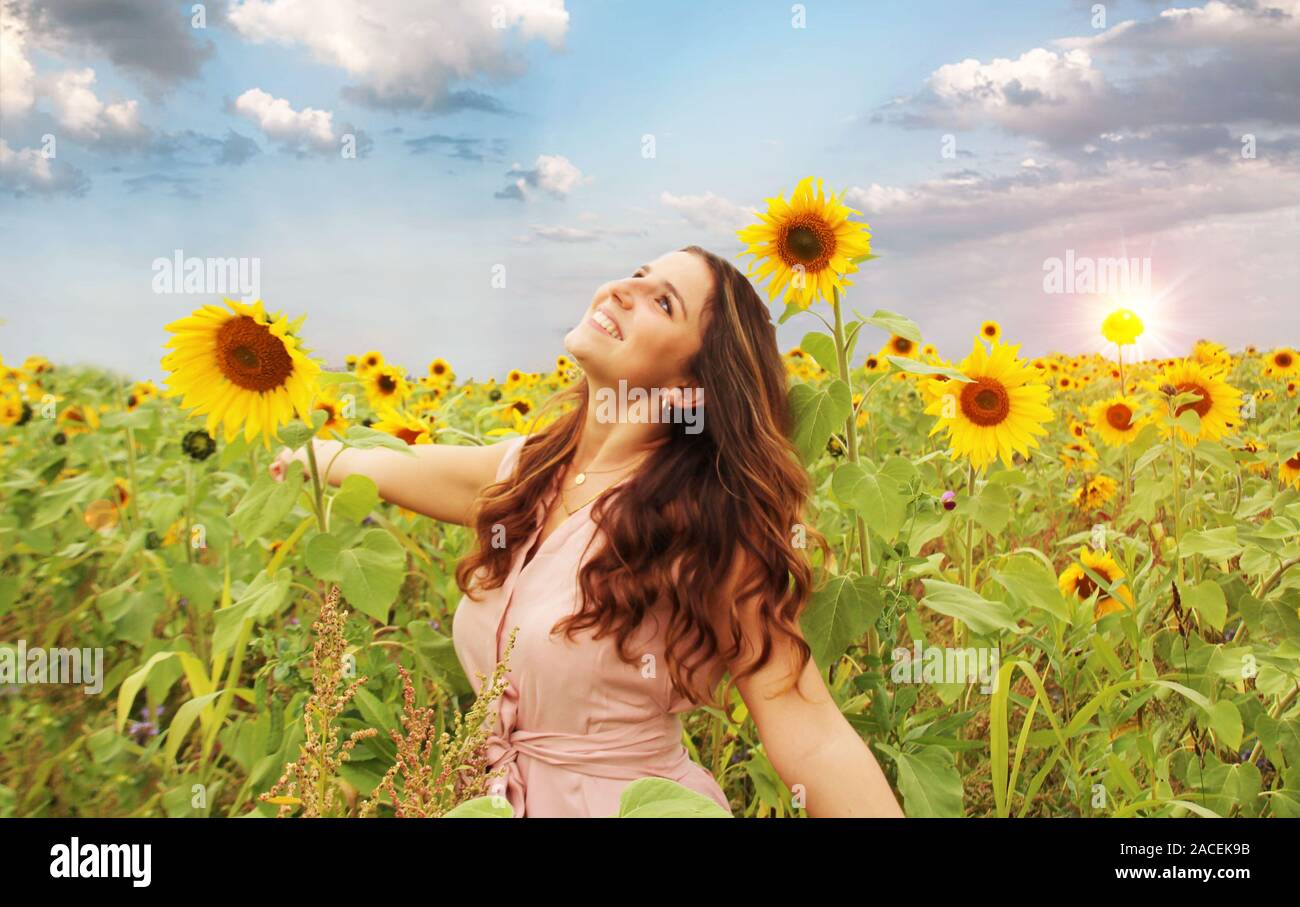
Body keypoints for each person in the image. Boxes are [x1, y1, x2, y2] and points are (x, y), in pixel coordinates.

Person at [272, 245, 904, 818]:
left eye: (662, 301)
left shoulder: (709, 522)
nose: (623, 290)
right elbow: (395, 466)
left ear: (691, 382)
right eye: (637, 274)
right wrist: (313, 453)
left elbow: (811, 733)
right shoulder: (529, 472)